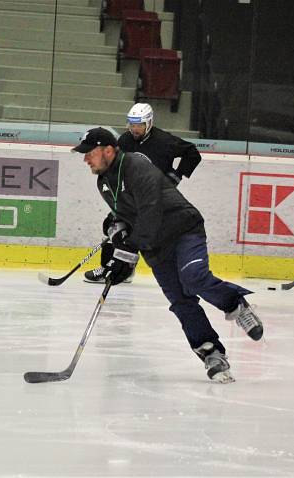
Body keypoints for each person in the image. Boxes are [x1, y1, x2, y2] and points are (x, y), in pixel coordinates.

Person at [73, 127, 263, 383]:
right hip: (156, 247)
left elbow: (151, 210)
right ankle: (211, 353)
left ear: (108, 150)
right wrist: (116, 233)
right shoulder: (104, 183)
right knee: (181, 300)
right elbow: (124, 216)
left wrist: (128, 252)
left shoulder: (135, 165)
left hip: (183, 229)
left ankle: (235, 304)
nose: (86, 159)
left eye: (90, 153)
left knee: (193, 276)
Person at [84, 103, 202, 284]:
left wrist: (176, 176)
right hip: (129, 194)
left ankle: (127, 267)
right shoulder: (123, 141)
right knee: (113, 225)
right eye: (132, 124)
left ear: (149, 123)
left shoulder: (164, 140)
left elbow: (192, 153)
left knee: (140, 229)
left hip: (153, 197)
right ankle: (111, 267)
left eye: (139, 125)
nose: (135, 129)